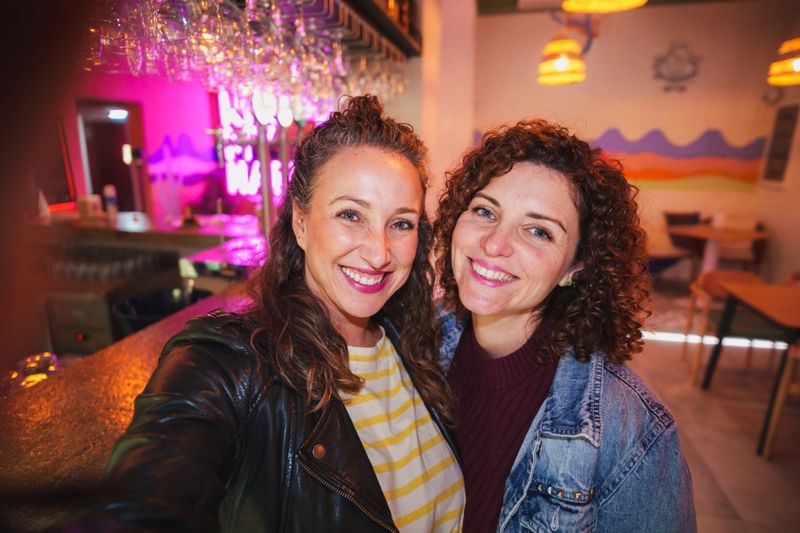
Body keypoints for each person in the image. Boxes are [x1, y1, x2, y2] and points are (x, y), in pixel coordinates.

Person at [73, 95, 465, 532]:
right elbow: (144, 499)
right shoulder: (232, 360)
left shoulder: (413, 343)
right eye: (350, 214)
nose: (378, 252)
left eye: (401, 223)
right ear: (300, 221)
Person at [432, 119, 696, 532]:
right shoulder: (416, 341)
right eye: (485, 211)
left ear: (576, 266)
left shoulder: (631, 428)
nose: (495, 244)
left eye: (538, 231)